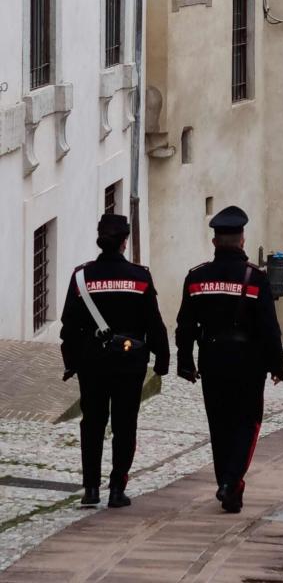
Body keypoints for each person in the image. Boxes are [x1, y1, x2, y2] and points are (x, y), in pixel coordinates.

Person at [175, 206, 283, 513]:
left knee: (219, 424)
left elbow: (185, 325)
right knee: (248, 423)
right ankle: (231, 481)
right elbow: (269, 328)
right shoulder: (255, 278)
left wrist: (185, 362)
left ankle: (227, 484)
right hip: (249, 362)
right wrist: (277, 366)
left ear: (214, 242)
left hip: (211, 358)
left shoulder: (197, 277)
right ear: (242, 240)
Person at [60, 214, 170, 508]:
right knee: (125, 425)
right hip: (129, 362)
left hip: (92, 362)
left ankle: (91, 489)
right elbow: (153, 321)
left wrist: (70, 361)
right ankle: (117, 489)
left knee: (92, 424)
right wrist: (163, 358)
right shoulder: (140, 277)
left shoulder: (81, 277)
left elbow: (68, 325)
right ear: (125, 242)